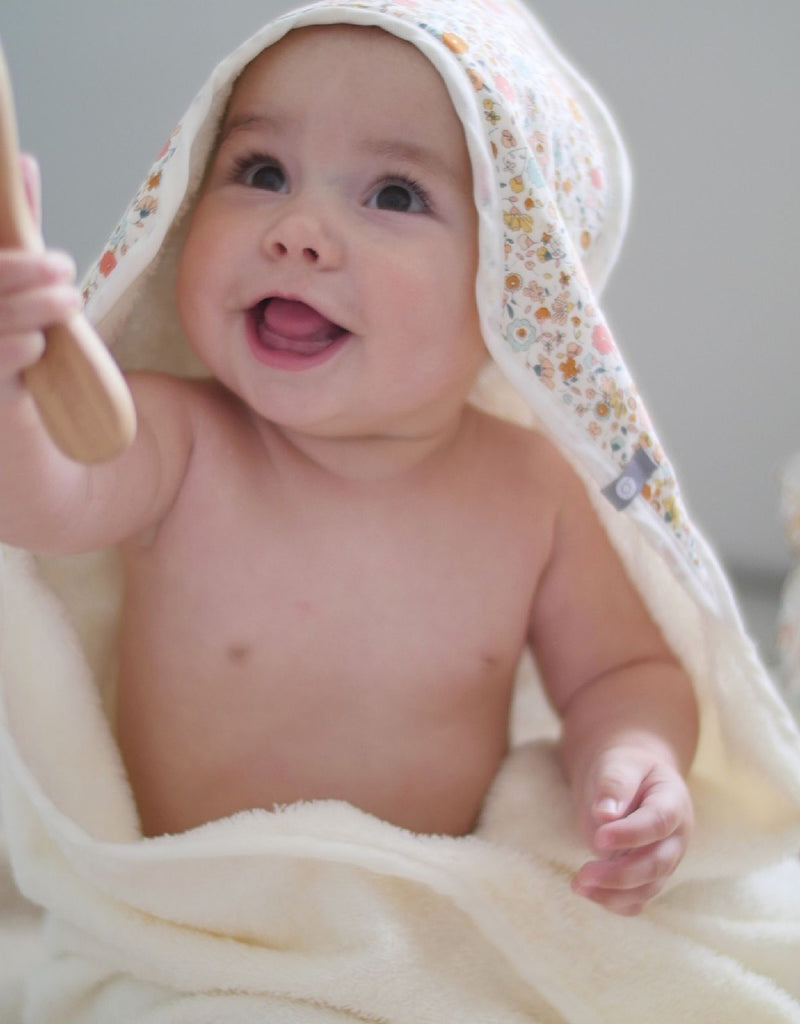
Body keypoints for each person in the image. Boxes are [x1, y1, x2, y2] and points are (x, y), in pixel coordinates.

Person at [0, 16, 698, 924]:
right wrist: (17, 390)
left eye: (396, 195)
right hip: (193, 912)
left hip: (418, 922)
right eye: (260, 172)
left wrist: (633, 760)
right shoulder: (179, 435)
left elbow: (622, 671)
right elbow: (39, 504)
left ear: (516, 293)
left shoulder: (534, 492)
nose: (299, 229)